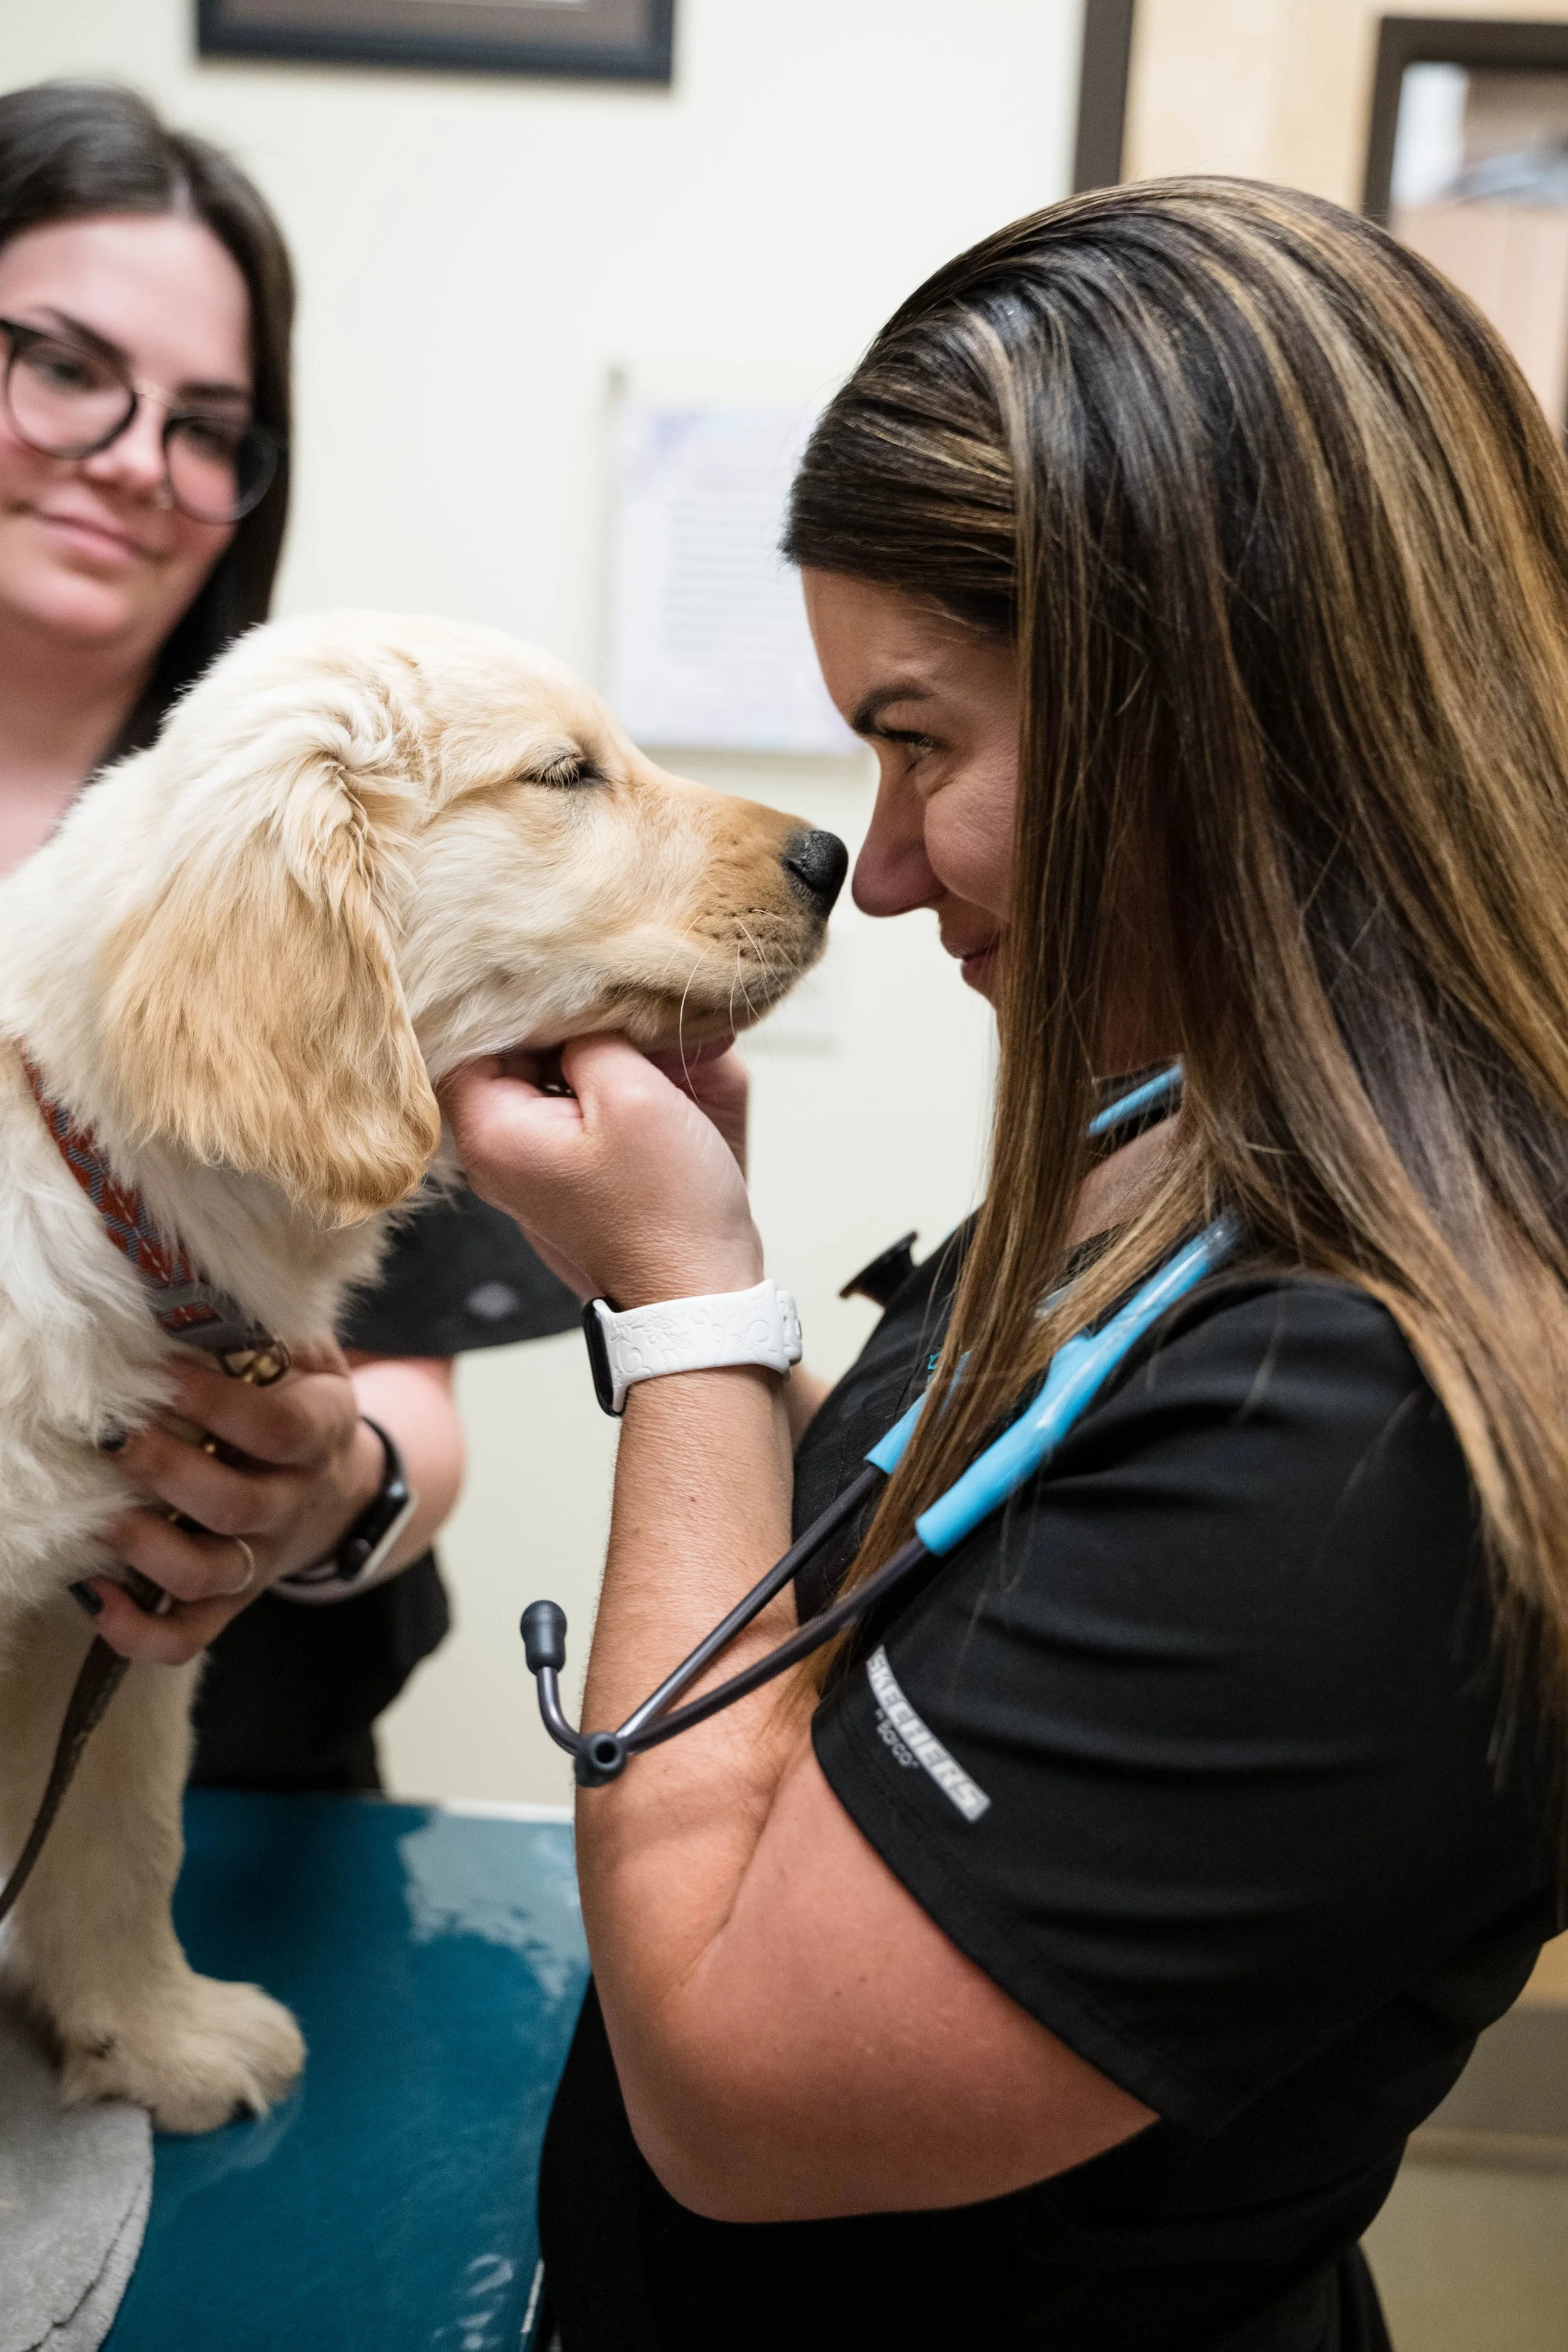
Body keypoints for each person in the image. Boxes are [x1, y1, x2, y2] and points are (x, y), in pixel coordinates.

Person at [445, 177, 1568, 2351]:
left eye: (917, 742)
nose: (868, 875)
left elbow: (736, 2080)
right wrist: (684, 1282)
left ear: (1202, 704)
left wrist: (687, 1319)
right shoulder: (1171, 1157)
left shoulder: (1367, 1433)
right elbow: (899, 1610)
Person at [0, 79, 576, 1788]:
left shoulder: (353, 838)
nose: (136, 462)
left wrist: (324, 1484)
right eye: (64, 367)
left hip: (230, 1776)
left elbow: (414, 1396)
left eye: (209, 424)